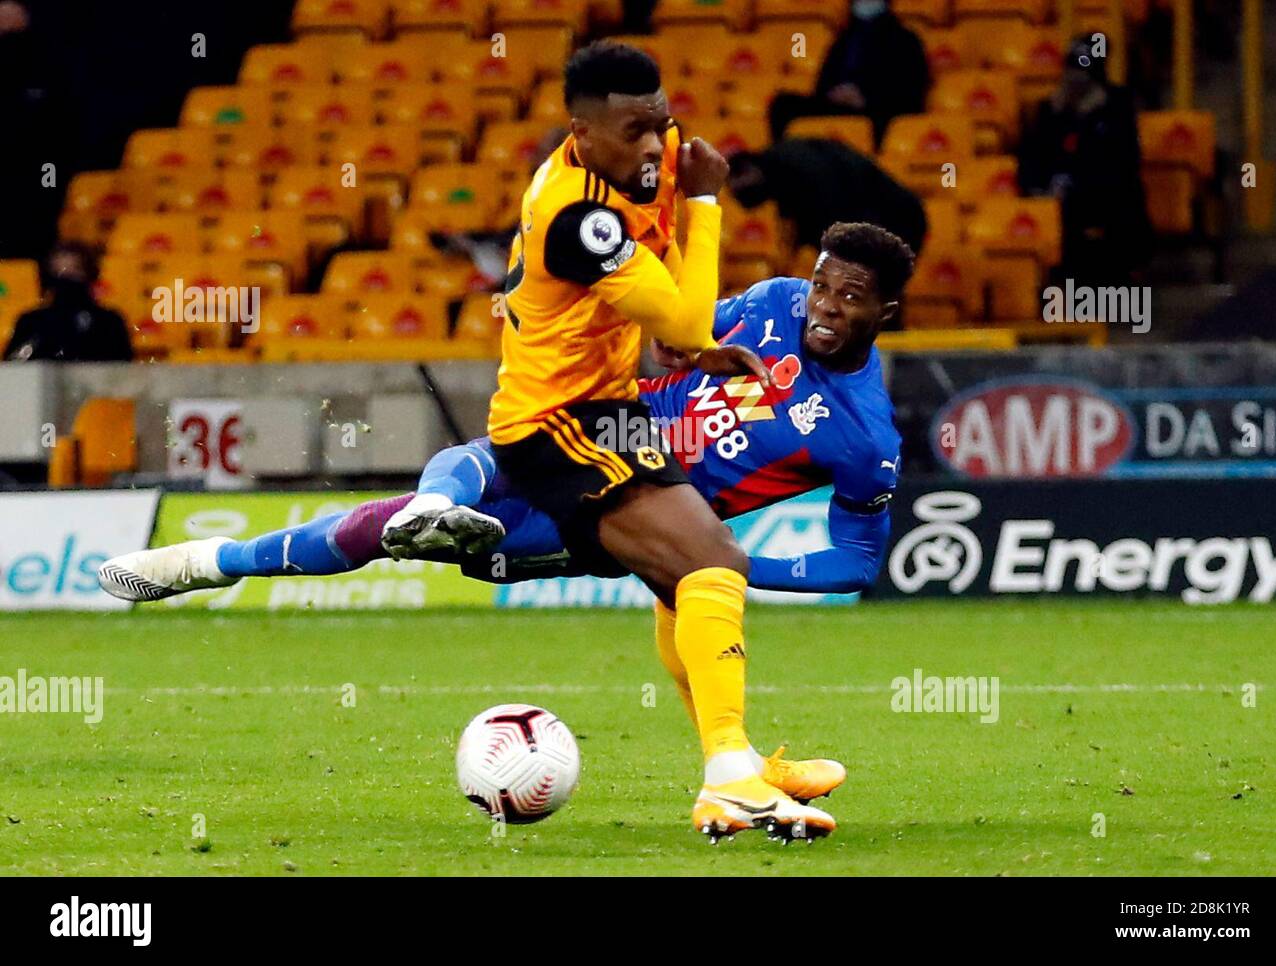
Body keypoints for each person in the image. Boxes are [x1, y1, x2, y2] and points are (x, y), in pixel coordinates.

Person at [103, 42, 835, 844]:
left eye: (660, 124)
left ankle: (203, 562)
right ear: (583, 136)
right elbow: (688, 314)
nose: (656, 146)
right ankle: (731, 773)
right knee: (707, 564)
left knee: (663, 570)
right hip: (562, 426)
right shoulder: (575, 216)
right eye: (635, 132)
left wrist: (675, 339)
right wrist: (706, 210)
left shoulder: (637, 170)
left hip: (595, 412)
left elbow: (662, 313)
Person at [101, 222, 915, 831]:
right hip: (608, 434)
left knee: (678, 582)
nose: (825, 308)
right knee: (434, 498)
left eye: (849, 297)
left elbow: (853, 561)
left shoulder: (865, 435)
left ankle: (737, 767)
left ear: (887, 310)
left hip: (633, 520)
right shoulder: (771, 304)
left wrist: (738, 562)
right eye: (822, 285)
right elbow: (676, 341)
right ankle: (217, 560)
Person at [1017, 36, 1151, 286]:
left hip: (1103, 198)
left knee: (1117, 207)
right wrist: (1039, 190)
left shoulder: (1117, 107)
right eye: (1071, 70)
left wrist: (1089, 119)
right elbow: (1030, 160)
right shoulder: (1050, 110)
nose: (1074, 79)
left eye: (1082, 71)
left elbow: (1122, 164)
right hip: (1054, 201)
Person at [768, 0, 930, 144]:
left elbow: (910, 94)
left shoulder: (906, 40)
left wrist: (864, 98)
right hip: (836, 107)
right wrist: (835, 94)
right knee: (783, 104)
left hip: (875, 113)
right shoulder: (843, 40)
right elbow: (821, 84)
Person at [728, 139, 927, 256]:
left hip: (898, 218)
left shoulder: (798, 166)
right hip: (876, 220)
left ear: (749, 170)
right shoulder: (782, 168)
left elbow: (837, 211)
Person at [3, 242, 133, 362]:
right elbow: (15, 366)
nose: (66, 279)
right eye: (58, 272)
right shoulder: (32, 322)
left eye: (74, 271)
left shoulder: (109, 322)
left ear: (90, 274)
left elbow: (121, 368)